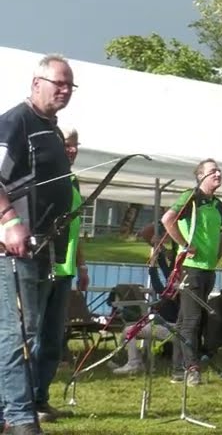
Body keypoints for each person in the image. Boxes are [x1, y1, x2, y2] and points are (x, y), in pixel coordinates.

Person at [0, 54, 78, 435]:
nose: (64, 90)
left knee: (34, 333)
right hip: (12, 250)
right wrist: (9, 221)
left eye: (69, 86)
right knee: (18, 331)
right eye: (58, 84)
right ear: (36, 83)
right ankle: (18, 416)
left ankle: (11, 410)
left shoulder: (53, 129)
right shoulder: (15, 121)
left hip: (45, 249)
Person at [30, 125, 89, 422]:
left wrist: (81, 266)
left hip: (64, 271)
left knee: (52, 339)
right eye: (67, 144)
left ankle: (40, 399)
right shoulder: (43, 179)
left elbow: (74, 229)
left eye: (76, 145)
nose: (72, 149)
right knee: (29, 337)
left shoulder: (74, 181)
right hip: (41, 266)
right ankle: (17, 402)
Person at [163, 158, 222, 385]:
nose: (218, 174)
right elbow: (168, 219)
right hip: (189, 269)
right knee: (192, 320)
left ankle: (177, 369)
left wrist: (220, 249)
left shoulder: (217, 203)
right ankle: (192, 368)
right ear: (200, 176)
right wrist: (184, 244)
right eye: (213, 171)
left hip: (208, 269)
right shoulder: (190, 197)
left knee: (187, 320)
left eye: (219, 171)